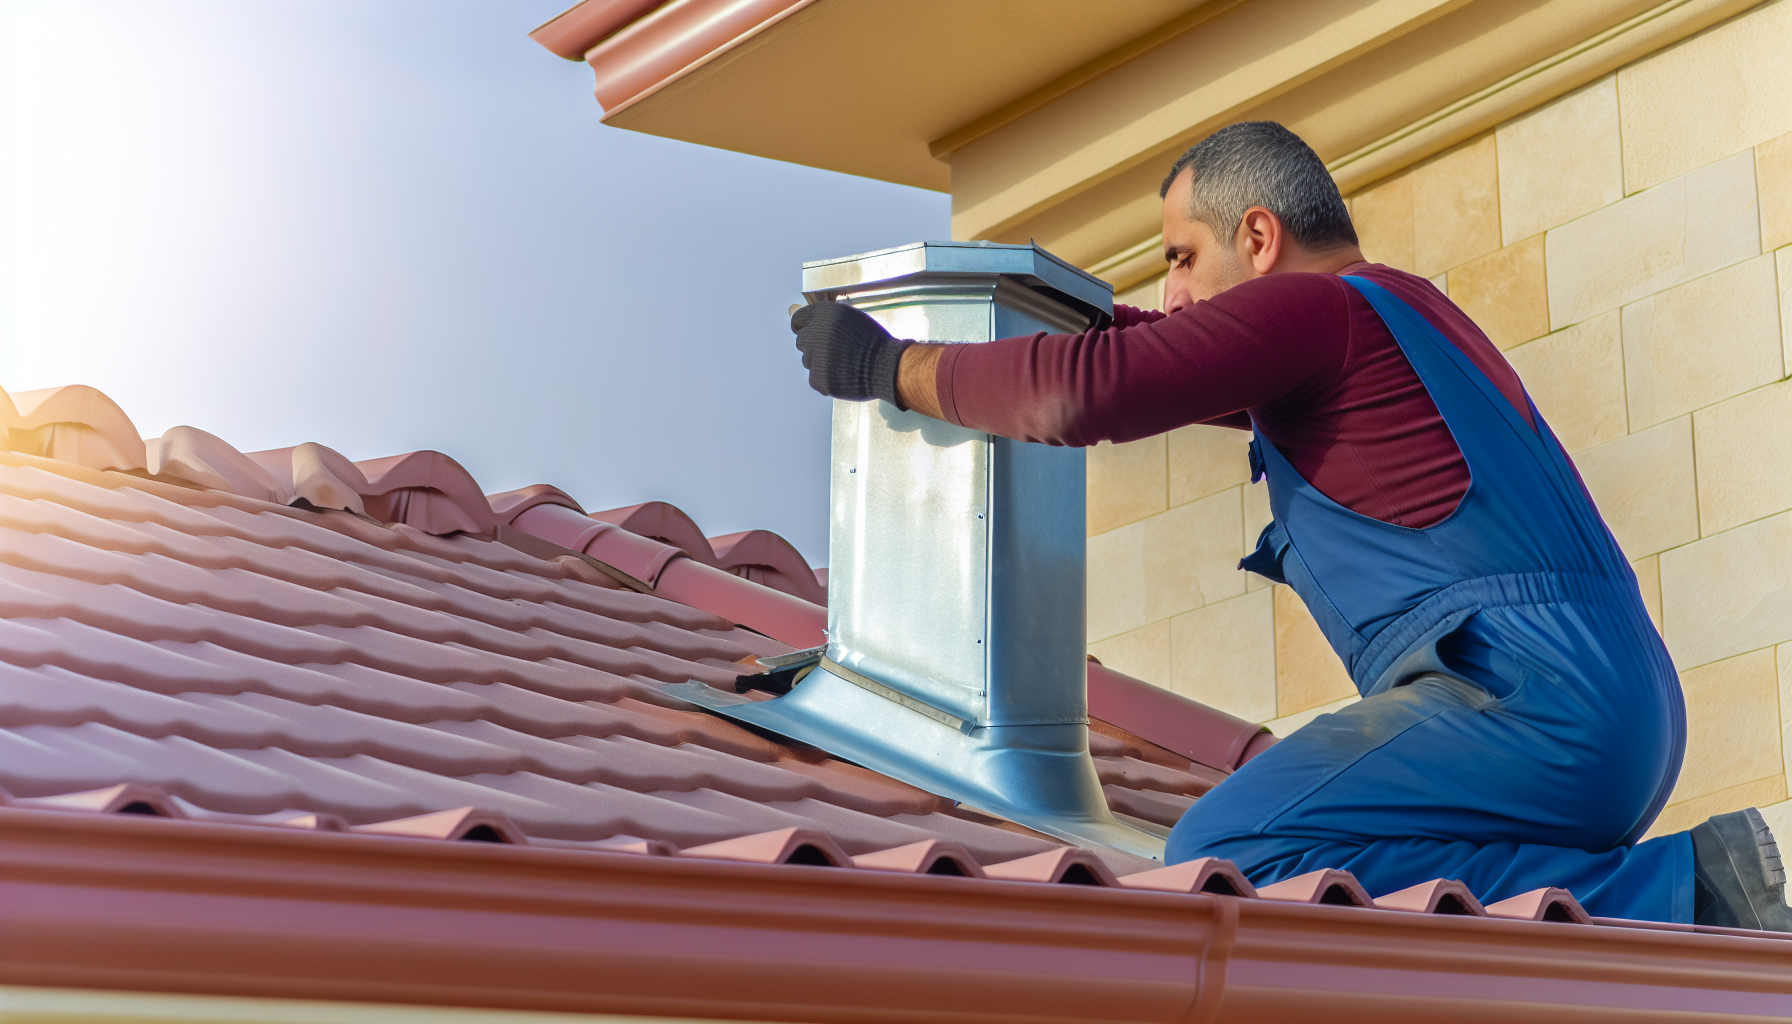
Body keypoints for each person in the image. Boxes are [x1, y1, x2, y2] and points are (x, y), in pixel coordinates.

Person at [788, 121, 1792, 929]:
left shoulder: (1310, 311)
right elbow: (1161, 355)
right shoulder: (1396, 317)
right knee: (1380, 872)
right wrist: (1052, 307)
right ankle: (1653, 904)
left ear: (1259, 237)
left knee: (1231, 854)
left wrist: (894, 370)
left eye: (1182, 257)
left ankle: (1687, 891)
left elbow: (1092, 394)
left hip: (1527, 704)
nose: (1171, 292)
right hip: (1615, 710)